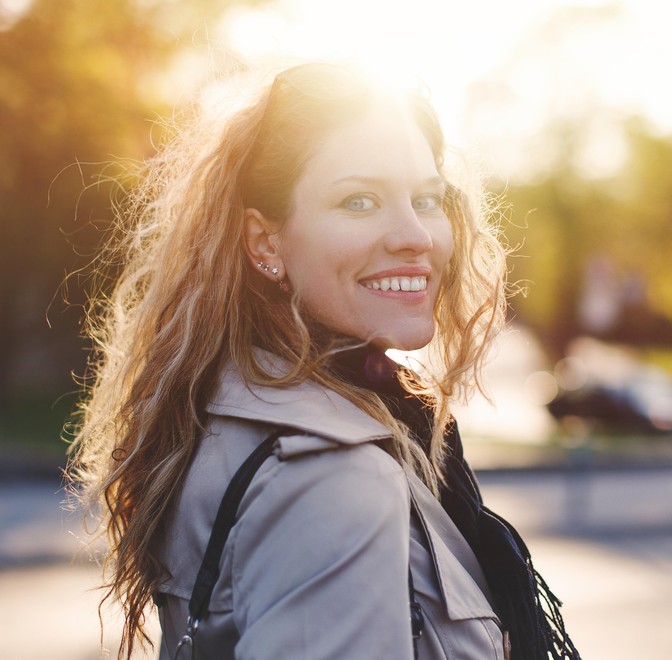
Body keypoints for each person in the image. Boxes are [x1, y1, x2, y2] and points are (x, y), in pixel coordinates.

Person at [69, 62, 580, 660]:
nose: (413, 234)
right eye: (359, 201)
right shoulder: (329, 477)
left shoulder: (234, 407)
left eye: (426, 199)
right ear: (265, 242)